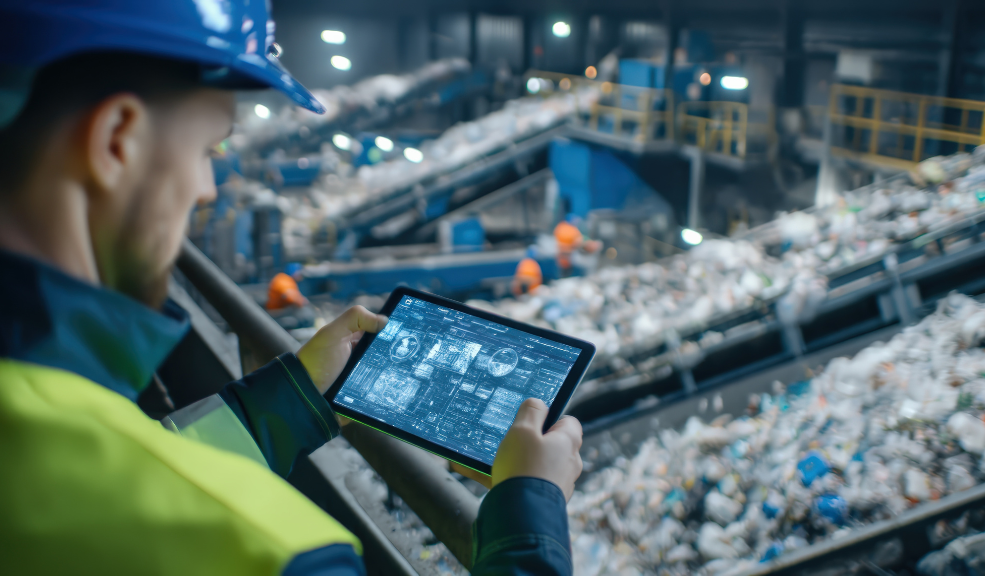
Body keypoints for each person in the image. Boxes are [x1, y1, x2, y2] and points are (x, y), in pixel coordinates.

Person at [0, 1, 584, 574]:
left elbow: (128, 469)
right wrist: (528, 515)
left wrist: (298, 396)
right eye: (207, 149)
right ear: (116, 141)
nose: (206, 188)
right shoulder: (273, 552)